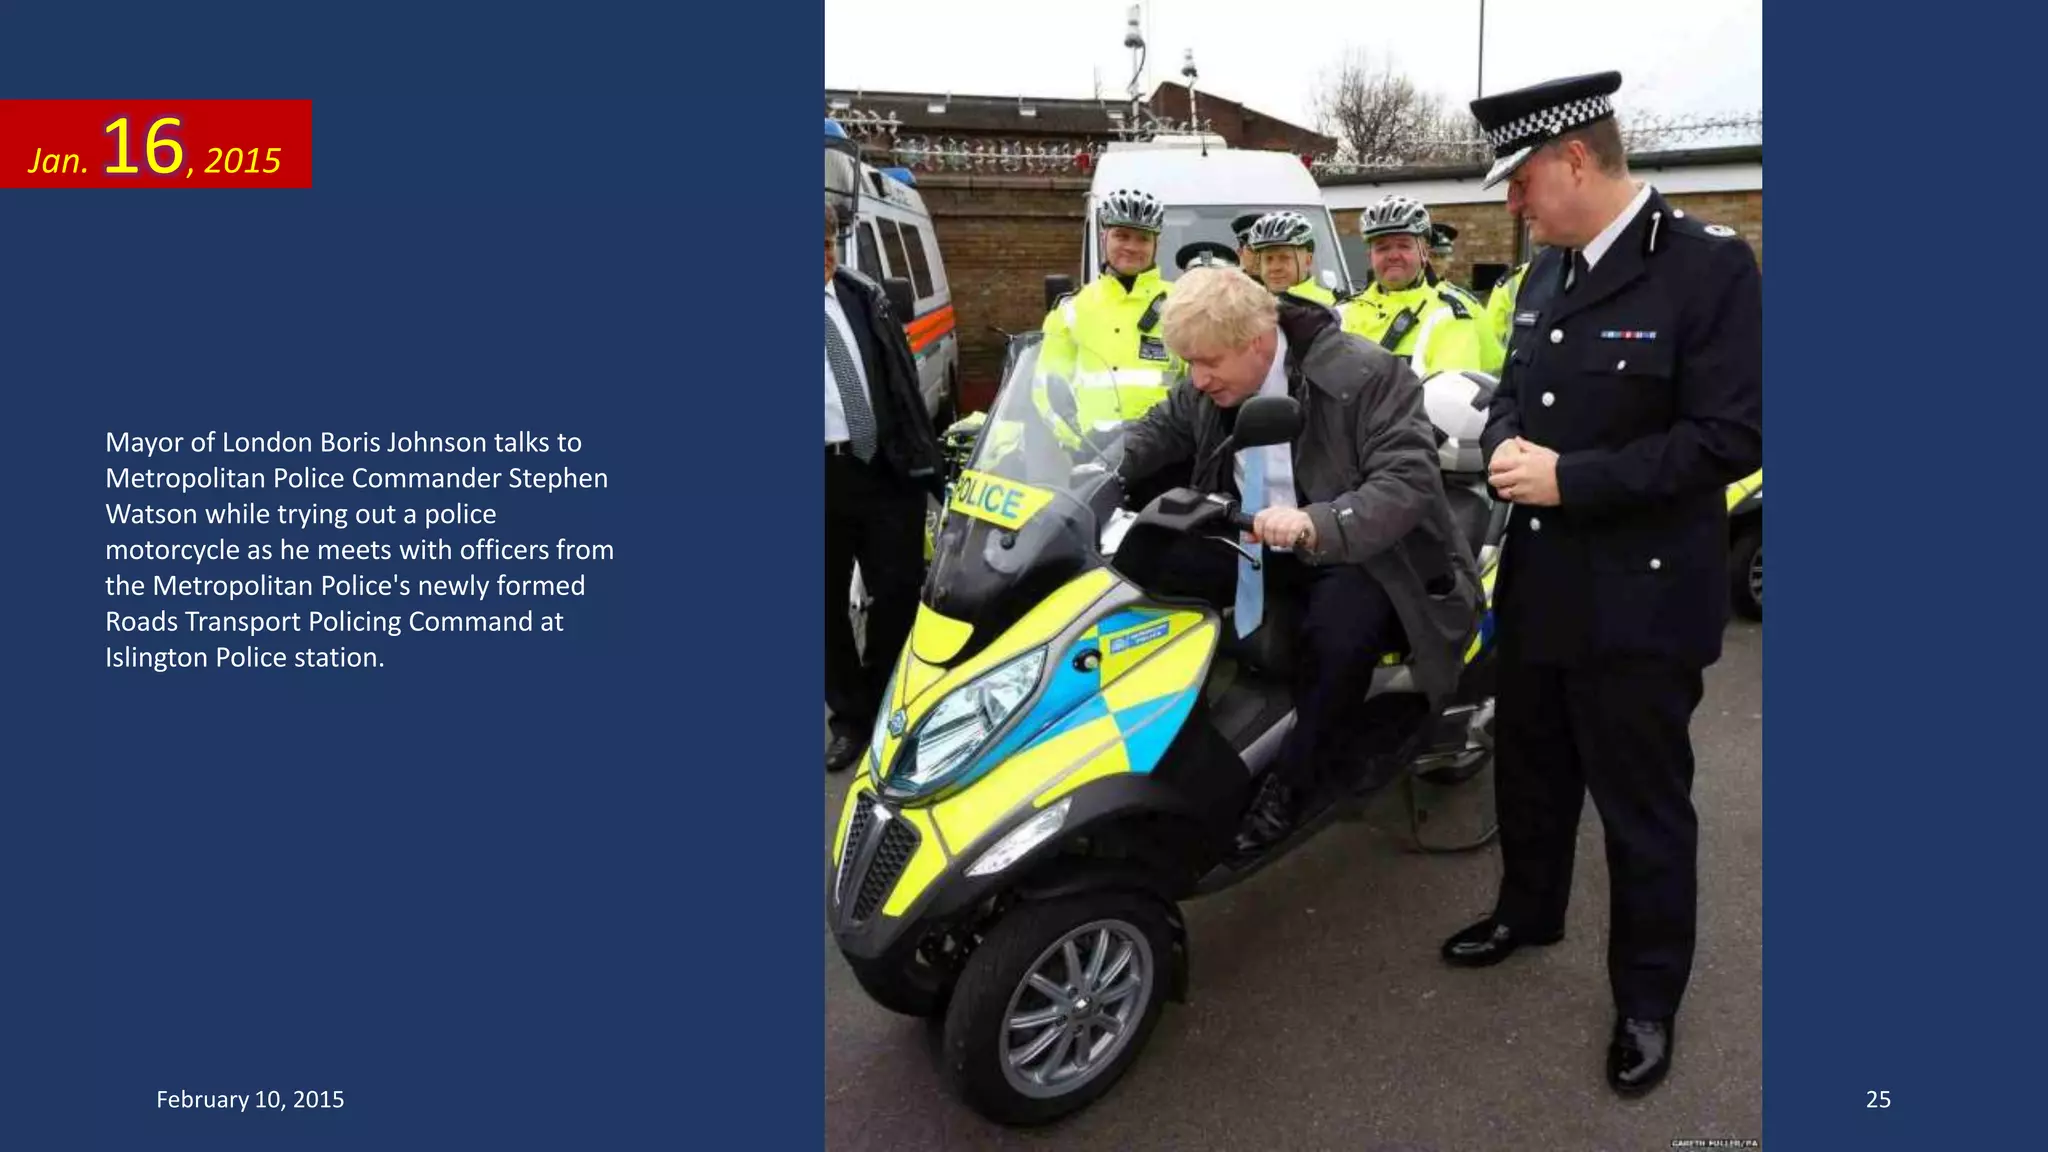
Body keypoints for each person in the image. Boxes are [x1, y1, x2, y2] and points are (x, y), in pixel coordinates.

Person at [1442, 71, 1763, 1098]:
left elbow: (1731, 436)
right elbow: (1508, 391)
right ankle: (1525, 913)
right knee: (1527, 776)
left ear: (1574, 159)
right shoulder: (1543, 274)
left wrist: (1570, 478)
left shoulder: (1706, 270)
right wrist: (1499, 444)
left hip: (1641, 598)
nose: (1511, 203)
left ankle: (1645, 997)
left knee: (1641, 810)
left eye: (1520, 181)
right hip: (1538, 584)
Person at [1115, 267, 1481, 853]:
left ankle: (1294, 781)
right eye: (1190, 363)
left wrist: (1320, 522)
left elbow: (1407, 479)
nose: (1197, 378)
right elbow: (1165, 426)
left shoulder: (1366, 376)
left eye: (1208, 363)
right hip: (1254, 533)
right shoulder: (1213, 376)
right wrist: (1104, 466)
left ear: (1258, 342)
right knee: (1138, 568)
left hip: (1357, 546)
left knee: (1339, 639)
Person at [824, 202, 945, 773]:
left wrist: (924, 460)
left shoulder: (862, 296)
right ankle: (849, 717)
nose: (822, 259)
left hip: (882, 469)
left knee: (898, 592)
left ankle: (886, 702)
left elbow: (899, 382)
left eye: (827, 245)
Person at [1035, 188, 1179, 446]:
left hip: (1164, 452)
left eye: (1143, 238)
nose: (1132, 247)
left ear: (1156, 244)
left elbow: (1200, 384)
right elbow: (1045, 386)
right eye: (1122, 236)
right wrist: (1078, 439)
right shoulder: (1072, 309)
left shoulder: (1182, 303)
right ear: (1104, 237)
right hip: (1090, 453)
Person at [1341, 195, 1505, 375]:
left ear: (1424, 252)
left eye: (1404, 246)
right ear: (1370, 256)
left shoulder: (1449, 315)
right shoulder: (1340, 314)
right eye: (1382, 248)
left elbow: (1453, 395)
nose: (1393, 255)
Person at [1244, 211, 1337, 305]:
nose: (1275, 267)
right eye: (1268, 259)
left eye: (1284, 258)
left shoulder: (1334, 306)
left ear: (1308, 260)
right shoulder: (1248, 308)